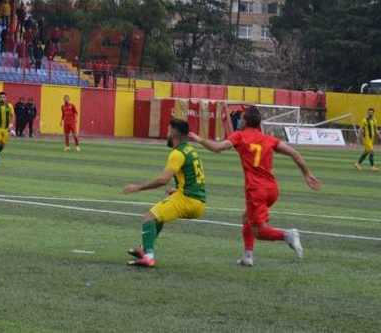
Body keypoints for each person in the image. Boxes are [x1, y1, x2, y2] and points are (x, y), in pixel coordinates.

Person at [190, 106, 321, 266]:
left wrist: (199, 139)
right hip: (272, 189)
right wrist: (307, 174)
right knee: (246, 218)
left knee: (259, 231)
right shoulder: (268, 139)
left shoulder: (239, 136)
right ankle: (247, 256)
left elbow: (217, 148)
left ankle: (288, 235)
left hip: (256, 190)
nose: (239, 120)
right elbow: (295, 154)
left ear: (246, 121)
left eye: (241, 117)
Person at [123, 118, 206, 268]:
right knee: (158, 217)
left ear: (174, 133)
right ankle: (143, 249)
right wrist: (177, 190)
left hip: (187, 200)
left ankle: (148, 257)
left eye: (168, 131)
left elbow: (163, 180)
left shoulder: (177, 153)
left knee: (149, 217)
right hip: (198, 201)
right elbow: (195, 179)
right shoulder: (191, 150)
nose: (167, 134)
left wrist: (137, 187)